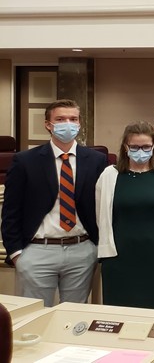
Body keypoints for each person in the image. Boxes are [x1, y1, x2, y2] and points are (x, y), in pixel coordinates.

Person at [1, 99, 107, 306]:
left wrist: (95, 247)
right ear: (48, 124)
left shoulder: (96, 160)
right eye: (60, 119)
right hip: (37, 250)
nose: (67, 123)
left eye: (73, 119)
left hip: (82, 249)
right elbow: (11, 211)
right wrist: (16, 254)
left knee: (74, 319)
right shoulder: (25, 161)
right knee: (33, 318)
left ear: (79, 123)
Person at [96, 121, 154, 309]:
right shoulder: (110, 175)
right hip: (118, 255)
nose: (140, 151)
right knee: (119, 310)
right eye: (134, 147)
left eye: (146, 147)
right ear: (126, 147)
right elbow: (101, 216)